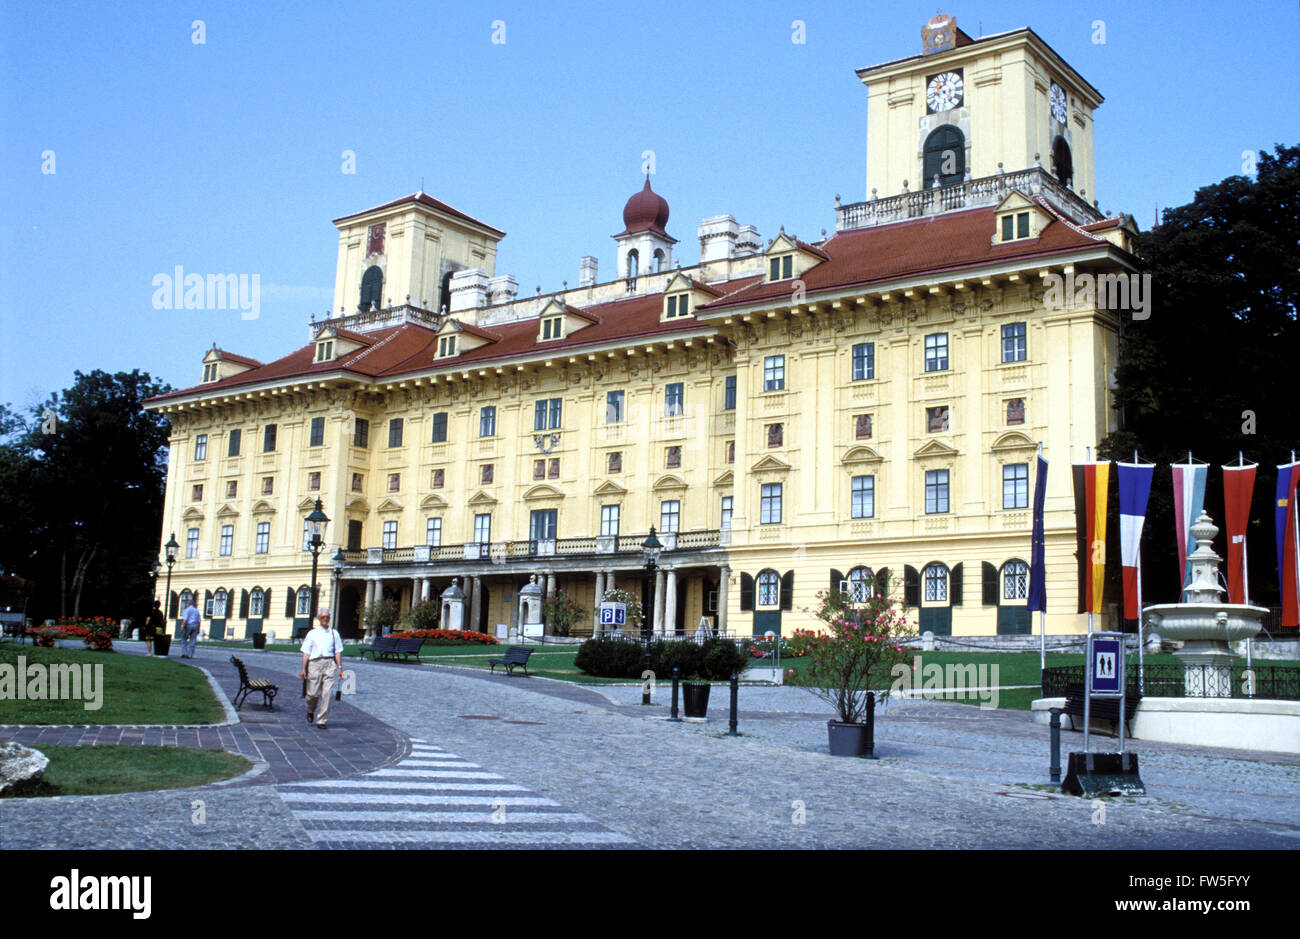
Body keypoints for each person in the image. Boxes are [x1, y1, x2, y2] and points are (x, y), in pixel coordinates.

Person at [300, 609, 343, 729]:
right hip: (315, 664)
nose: (325, 619)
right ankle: (310, 709)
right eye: (323, 617)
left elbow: (337, 652)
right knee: (312, 693)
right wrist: (303, 668)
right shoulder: (312, 633)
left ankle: (322, 720)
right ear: (319, 618)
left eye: (327, 617)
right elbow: (306, 653)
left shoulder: (334, 633)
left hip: (329, 663)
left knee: (327, 694)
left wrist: (339, 668)